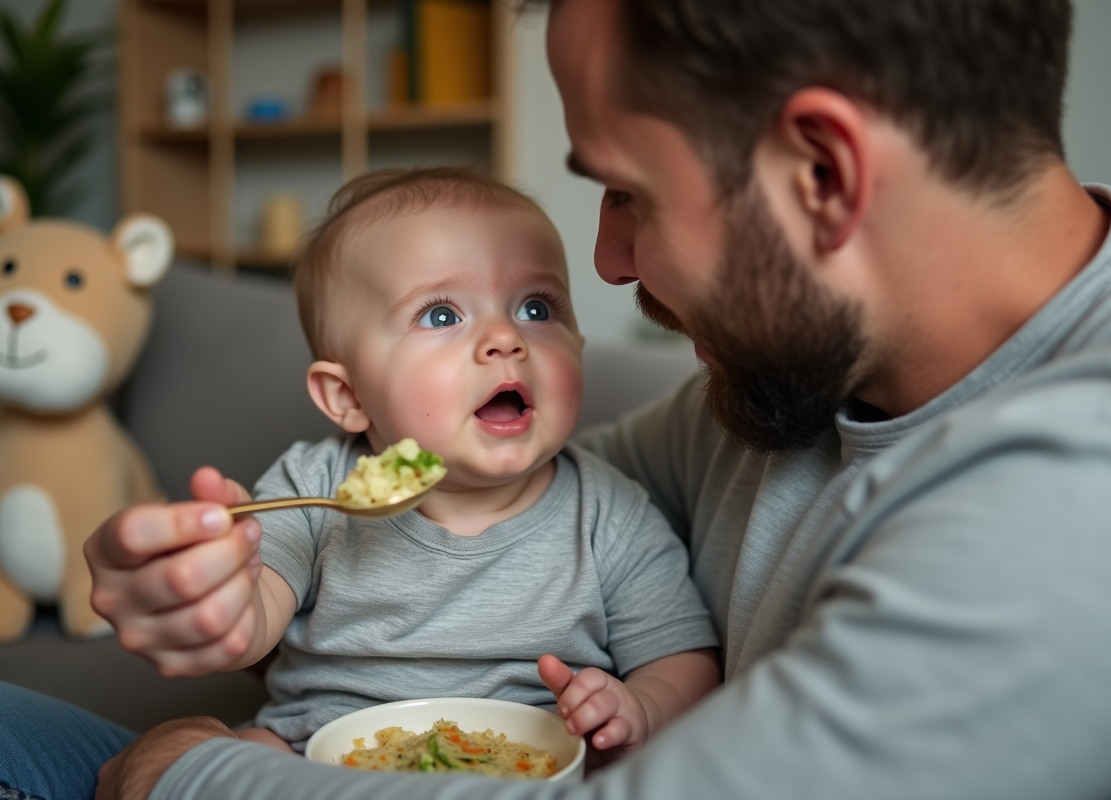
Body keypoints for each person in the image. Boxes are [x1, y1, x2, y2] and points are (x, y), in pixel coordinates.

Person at [0, 0, 1111, 797]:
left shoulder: (1106, 486)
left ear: (825, 175)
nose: (612, 265)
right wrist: (202, 583)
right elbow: (509, 489)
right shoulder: (778, 388)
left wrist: (179, 773)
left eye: (625, 192)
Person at [164, 166, 717, 755]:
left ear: (578, 348)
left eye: (536, 307)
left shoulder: (610, 513)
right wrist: (227, 593)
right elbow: (257, 620)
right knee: (241, 750)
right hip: (322, 762)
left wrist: (640, 707)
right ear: (348, 397)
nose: (506, 338)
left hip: (527, 771)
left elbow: (683, 658)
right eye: (442, 315)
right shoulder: (315, 489)